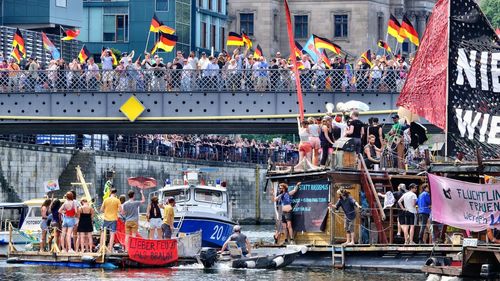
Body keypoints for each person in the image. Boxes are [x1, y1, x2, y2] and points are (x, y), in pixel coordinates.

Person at [100, 188, 121, 253]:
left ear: (110, 192)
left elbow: (101, 210)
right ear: (115, 193)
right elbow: (120, 210)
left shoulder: (106, 200)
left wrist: (106, 211)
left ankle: (101, 247)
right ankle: (110, 249)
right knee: (112, 234)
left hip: (106, 218)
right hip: (113, 219)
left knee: (103, 233)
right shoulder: (117, 200)